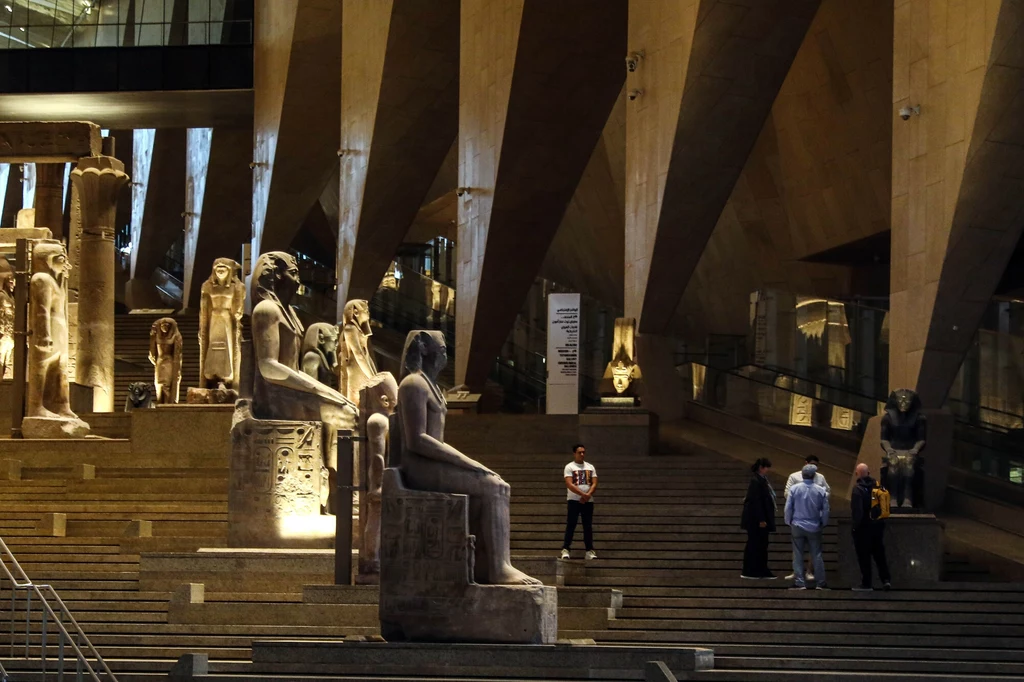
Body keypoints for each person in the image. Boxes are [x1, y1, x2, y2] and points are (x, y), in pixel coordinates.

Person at [784, 455, 830, 580]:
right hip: (814, 522)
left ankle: (800, 580)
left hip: (797, 521)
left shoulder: (795, 488)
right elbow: (826, 507)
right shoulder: (820, 490)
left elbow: (788, 507)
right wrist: (824, 522)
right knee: (816, 553)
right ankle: (821, 581)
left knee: (798, 551)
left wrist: (788, 520)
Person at [851, 463, 891, 591]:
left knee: (864, 556)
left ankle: (867, 582)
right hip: (878, 527)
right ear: (868, 473)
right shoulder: (878, 487)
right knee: (880, 555)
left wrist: (855, 527)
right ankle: (886, 579)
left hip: (863, 528)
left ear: (857, 474)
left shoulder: (858, 489)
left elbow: (858, 511)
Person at [560, 444, 598, 560]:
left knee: (587, 526)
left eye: (583, 452)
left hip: (588, 501)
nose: (582, 454)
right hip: (574, 500)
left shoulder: (590, 467)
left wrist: (588, 495)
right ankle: (566, 549)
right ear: (574, 453)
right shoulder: (569, 467)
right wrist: (583, 495)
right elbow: (569, 484)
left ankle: (589, 550)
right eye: (579, 452)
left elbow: (594, 482)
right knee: (571, 524)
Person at [741, 457, 777, 579]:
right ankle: (754, 569)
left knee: (759, 544)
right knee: (757, 544)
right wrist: (761, 519)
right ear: (761, 468)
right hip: (757, 521)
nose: (768, 470)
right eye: (767, 467)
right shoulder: (757, 481)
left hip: (759, 519)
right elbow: (756, 502)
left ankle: (757, 569)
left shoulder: (760, 480)